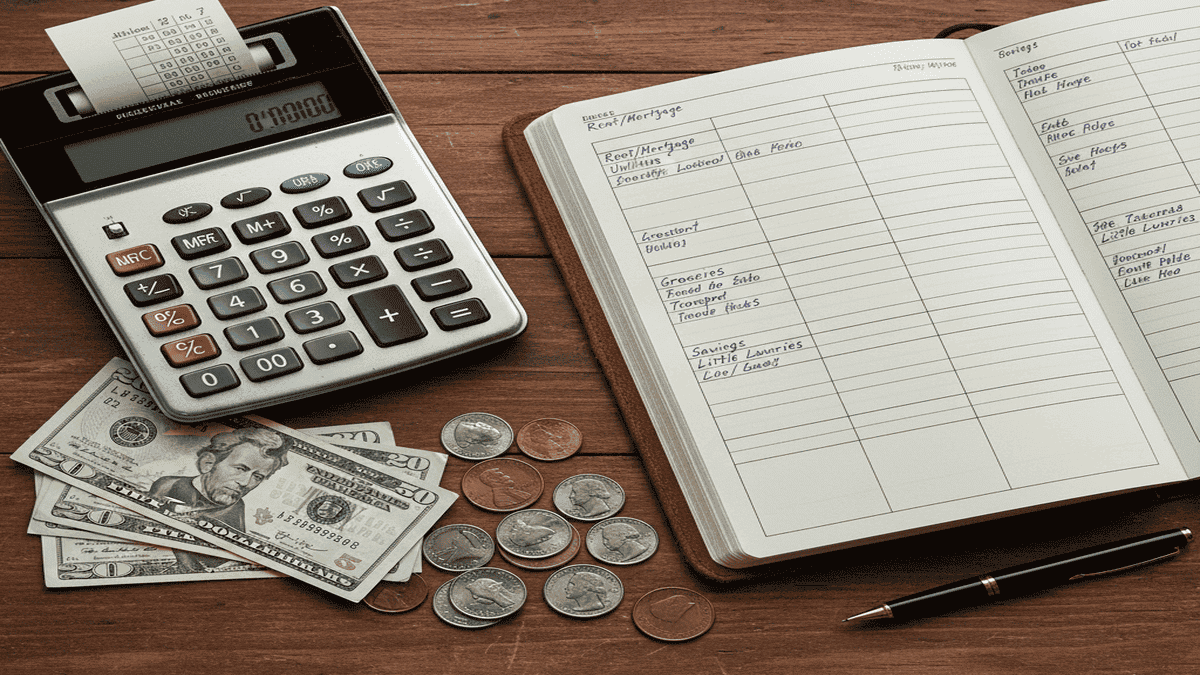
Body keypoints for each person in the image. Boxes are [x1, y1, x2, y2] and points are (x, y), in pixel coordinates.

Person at [149, 427, 289, 570]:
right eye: (240, 468)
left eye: (257, 477)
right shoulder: (168, 485)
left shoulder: (236, 507)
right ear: (208, 463)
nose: (245, 482)